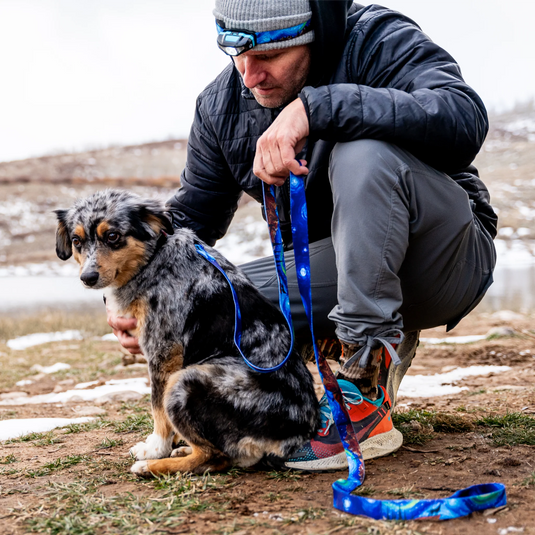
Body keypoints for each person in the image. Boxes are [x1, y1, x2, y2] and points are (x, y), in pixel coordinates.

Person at [108, 0, 497, 471]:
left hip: (442, 257)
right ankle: (246, 426)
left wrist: (317, 108)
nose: (250, 76)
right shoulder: (220, 105)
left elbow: (462, 116)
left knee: (363, 153)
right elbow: (188, 226)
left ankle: (365, 377)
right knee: (209, 298)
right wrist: (134, 300)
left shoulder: (377, 38)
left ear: (315, 32)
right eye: (236, 54)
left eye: (270, 55)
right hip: (331, 270)